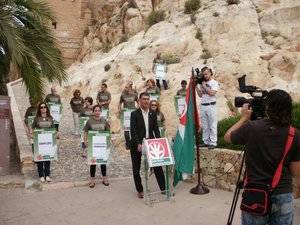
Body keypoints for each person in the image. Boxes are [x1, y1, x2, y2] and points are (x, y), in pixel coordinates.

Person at [224, 89, 300, 225]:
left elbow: (227, 137)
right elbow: (296, 172)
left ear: (268, 107)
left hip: (255, 194)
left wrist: (244, 118)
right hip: (282, 195)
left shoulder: (252, 128)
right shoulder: (294, 134)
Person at [130, 92, 166, 199]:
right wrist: (138, 143)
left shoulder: (153, 113)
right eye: (144, 99)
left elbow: (155, 129)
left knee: (157, 165)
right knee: (136, 168)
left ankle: (163, 188)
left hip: (151, 143)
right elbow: (133, 131)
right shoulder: (134, 114)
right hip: (137, 144)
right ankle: (140, 190)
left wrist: (159, 141)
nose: (146, 101)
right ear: (140, 101)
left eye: (147, 99)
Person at [83, 105, 110, 188]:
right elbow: (85, 132)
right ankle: (92, 180)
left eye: (99, 110)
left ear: (100, 111)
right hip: (93, 145)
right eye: (96, 110)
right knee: (93, 162)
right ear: (93, 112)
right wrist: (85, 141)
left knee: (103, 162)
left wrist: (108, 142)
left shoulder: (104, 120)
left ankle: (104, 178)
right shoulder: (89, 121)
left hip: (102, 145)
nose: (97, 112)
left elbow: (108, 131)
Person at [31, 102, 56, 183]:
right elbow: (32, 128)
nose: (43, 108)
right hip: (39, 141)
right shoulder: (37, 118)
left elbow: (53, 129)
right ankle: (41, 175)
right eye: (41, 107)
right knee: (40, 159)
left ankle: (47, 175)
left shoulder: (50, 118)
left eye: (44, 107)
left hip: (48, 141)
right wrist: (31, 134)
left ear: (47, 108)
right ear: (39, 109)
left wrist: (56, 134)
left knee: (47, 158)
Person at [196, 66, 219, 149]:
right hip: (203, 105)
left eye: (206, 74)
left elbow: (212, 93)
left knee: (212, 125)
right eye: (204, 74)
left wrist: (204, 85)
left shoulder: (214, 83)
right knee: (205, 125)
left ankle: (213, 142)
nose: (205, 75)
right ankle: (205, 141)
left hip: (211, 105)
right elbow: (200, 95)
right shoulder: (201, 83)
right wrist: (196, 86)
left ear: (210, 73)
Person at [119, 83, 139, 149]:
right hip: (126, 114)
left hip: (133, 113)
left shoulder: (134, 95)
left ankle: (134, 143)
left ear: (130, 88)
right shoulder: (123, 95)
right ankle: (128, 144)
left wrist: (138, 108)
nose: (125, 88)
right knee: (126, 130)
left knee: (134, 129)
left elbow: (138, 101)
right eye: (125, 87)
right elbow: (120, 103)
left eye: (126, 87)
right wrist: (120, 109)